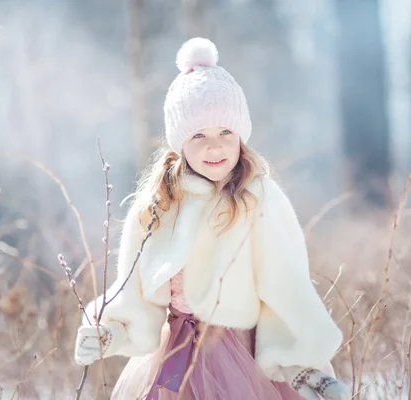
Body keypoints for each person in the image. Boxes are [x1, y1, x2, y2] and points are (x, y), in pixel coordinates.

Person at [74, 37, 348, 400]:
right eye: (198, 135)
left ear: (240, 138)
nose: (214, 146)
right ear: (179, 144)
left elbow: (286, 285)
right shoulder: (160, 203)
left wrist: (302, 365)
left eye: (225, 133)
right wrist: (110, 330)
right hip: (171, 354)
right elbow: (135, 284)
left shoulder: (258, 199)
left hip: (239, 354)